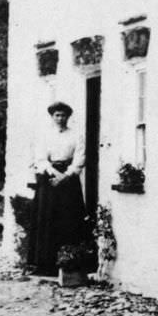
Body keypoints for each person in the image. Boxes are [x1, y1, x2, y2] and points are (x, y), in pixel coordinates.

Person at [29, 101, 93, 276]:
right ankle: (45, 264)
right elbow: (40, 158)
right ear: (52, 117)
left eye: (63, 115)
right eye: (57, 115)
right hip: (49, 178)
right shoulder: (45, 135)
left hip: (69, 179)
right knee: (47, 218)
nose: (60, 118)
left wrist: (66, 176)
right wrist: (53, 174)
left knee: (69, 218)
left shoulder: (75, 135)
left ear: (68, 117)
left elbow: (80, 159)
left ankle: (70, 262)